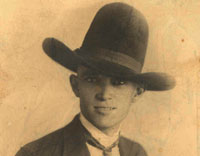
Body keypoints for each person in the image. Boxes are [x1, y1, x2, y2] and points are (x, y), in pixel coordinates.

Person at [15, 2, 176, 156]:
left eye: (118, 82)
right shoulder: (37, 154)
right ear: (75, 85)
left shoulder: (137, 153)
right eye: (92, 79)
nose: (104, 94)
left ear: (137, 93)